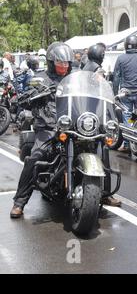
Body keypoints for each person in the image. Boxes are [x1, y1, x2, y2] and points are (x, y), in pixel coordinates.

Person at [10, 42, 74, 218]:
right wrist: (34, 94)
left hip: (74, 127)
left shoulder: (74, 79)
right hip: (48, 128)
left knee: (101, 147)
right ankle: (19, 202)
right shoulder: (41, 78)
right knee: (35, 158)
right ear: (52, 62)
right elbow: (20, 100)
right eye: (61, 63)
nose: (64, 66)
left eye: (67, 63)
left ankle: (105, 193)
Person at [113, 35, 137, 153]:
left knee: (127, 117)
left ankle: (126, 144)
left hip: (126, 95)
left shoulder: (120, 58)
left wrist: (115, 93)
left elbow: (116, 77)